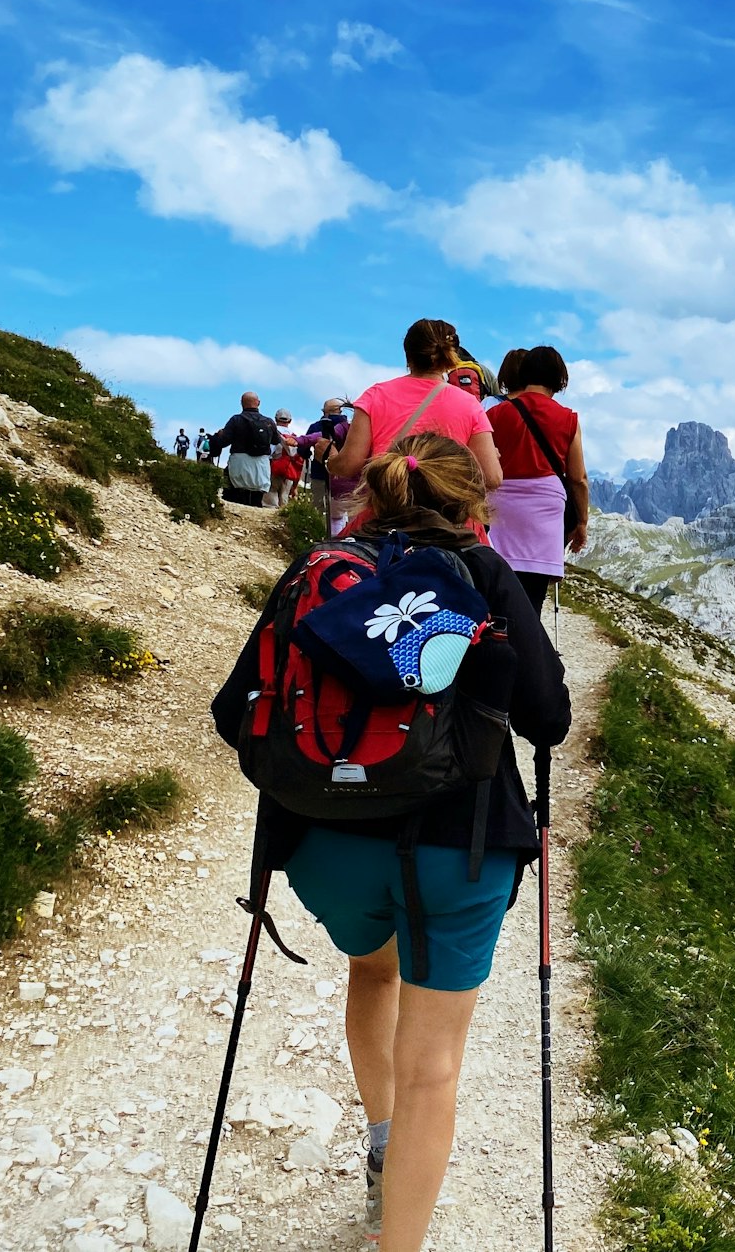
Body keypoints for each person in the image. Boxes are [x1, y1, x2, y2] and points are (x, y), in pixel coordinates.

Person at [211, 434, 570, 1252]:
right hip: (462, 850)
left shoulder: (318, 569)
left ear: (373, 494)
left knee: (373, 969)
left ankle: (380, 1139)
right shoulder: (482, 574)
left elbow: (234, 713)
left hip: (323, 850)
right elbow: (548, 718)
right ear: (471, 507)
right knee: (433, 1065)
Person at [328, 321, 504, 497]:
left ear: (408, 355)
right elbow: (492, 478)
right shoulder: (469, 404)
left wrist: (329, 458)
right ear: (450, 356)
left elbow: (348, 465)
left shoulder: (375, 395)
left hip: (388, 514)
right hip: (451, 519)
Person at [487, 345, 591, 609]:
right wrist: (581, 523)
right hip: (544, 510)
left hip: (500, 505)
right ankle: (528, 640)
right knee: (532, 595)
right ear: (560, 379)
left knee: (496, 586)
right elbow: (578, 478)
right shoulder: (568, 419)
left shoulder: (496, 414)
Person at [212, 394, 280, 506]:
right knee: (256, 500)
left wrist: (219, 436)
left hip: (239, 464)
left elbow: (223, 442)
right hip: (261, 466)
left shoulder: (236, 420)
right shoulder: (268, 422)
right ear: (258, 403)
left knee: (235, 498)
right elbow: (275, 441)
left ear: (241, 403)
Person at [301, 398, 347, 526]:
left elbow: (304, 448)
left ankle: (317, 528)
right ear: (340, 410)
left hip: (319, 470)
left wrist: (306, 454)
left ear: (325, 411)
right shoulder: (348, 426)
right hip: (341, 473)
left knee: (318, 503)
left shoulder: (316, 426)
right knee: (339, 507)